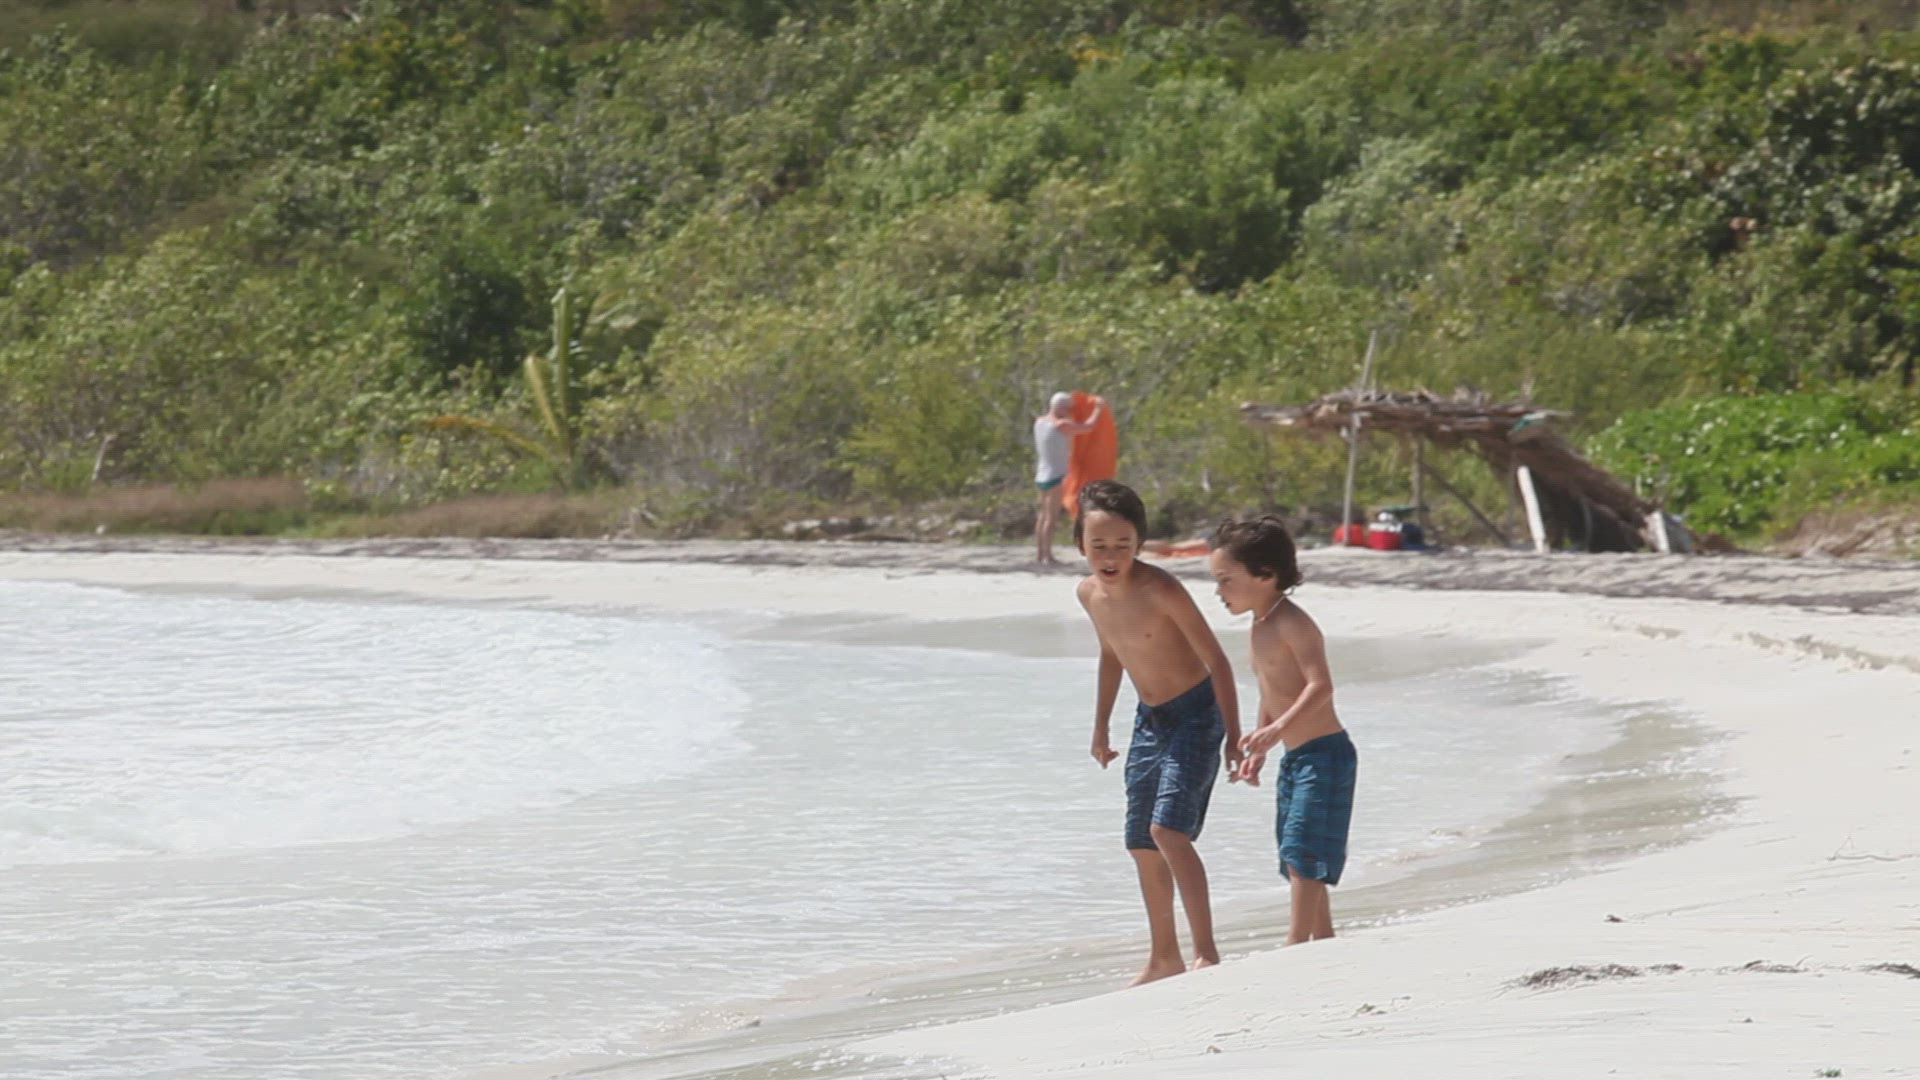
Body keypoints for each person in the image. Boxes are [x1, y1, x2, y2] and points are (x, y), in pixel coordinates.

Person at [1073, 480, 1243, 984]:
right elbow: (1111, 655)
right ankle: (1164, 957)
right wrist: (1100, 726)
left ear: (1140, 543)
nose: (1110, 556)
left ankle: (1206, 952)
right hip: (1149, 720)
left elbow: (1217, 660)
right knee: (1140, 841)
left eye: (1122, 545)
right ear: (1080, 544)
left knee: (1168, 831)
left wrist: (1234, 735)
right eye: (1099, 545)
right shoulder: (1088, 594)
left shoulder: (1161, 589)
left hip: (1196, 714)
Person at [1207, 515, 1357, 947]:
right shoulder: (1259, 626)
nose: (1219, 591)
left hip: (1326, 754)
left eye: (1226, 580)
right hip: (1296, 756)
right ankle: (1322, 936)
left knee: (1302, 848)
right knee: (1295, 850)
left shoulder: (1293, 622)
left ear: (1265, 574)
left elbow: (1320, 686)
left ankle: (1294, 943)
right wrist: (1260, 746)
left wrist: (1277, 728)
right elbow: (1270, 690)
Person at [1033, 392, 1100, 565]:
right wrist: (1098, 409)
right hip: (1054, 475)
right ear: (1061, 407)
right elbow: (1089, 426)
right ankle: (1047, 555)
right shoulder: (1061, 425)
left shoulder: (1039, 422)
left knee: (1042, 516)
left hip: (1041, 473)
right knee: (1051, 517)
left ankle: (1040, 554)